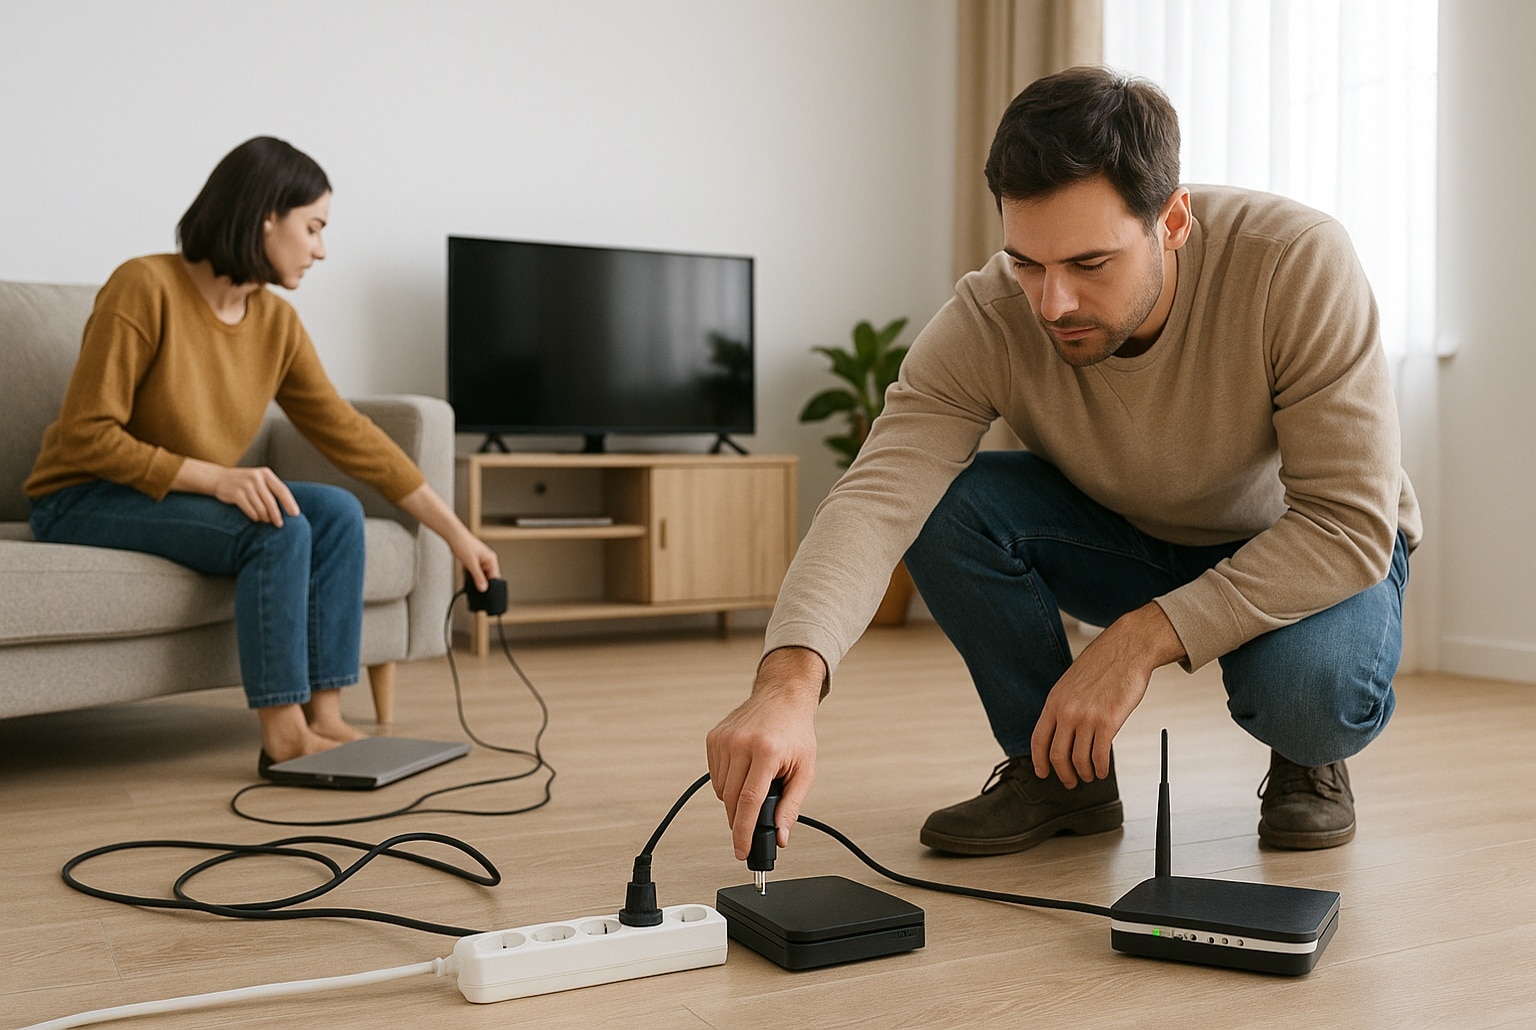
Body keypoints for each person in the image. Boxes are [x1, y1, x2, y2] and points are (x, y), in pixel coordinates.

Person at [707, 66, 1419, 863]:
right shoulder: (992, 313)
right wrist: (788, 684)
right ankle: (1060, 776)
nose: (1052, 304)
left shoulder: (1294, 261)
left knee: (1305, 696)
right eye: (1028, 263)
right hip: (1129, 537)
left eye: (1090, 264)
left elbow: (1348, 524)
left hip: (1302, 549)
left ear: (1173, 220)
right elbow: (878, 496)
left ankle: (1309, 756)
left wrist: (1137, 640)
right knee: (942, 502)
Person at [24, 136, 499, 771]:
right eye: (314, 227)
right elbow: (87, 435)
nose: (322, 249)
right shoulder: (143, 286)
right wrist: (217, 479)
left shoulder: (274, 323)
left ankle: (325, 718)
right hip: (80, 496)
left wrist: (455, 535)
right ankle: (283, 735)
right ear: (265, 216)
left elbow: (349, 435)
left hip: (174, 494)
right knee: (274, 526)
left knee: (334, 512)